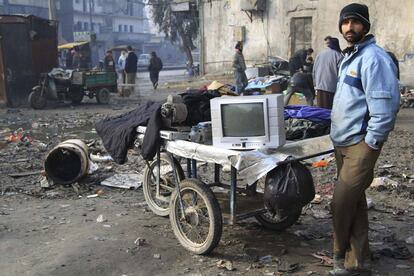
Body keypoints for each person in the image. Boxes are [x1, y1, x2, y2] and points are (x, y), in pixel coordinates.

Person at [329, 3, 400, 275]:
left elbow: (385, 105)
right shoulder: (351, 56)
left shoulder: (373, 58)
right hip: (343, 142)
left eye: (355, 23)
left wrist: (372, 141)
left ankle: (339, 257)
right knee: (355, 201)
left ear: (365, 26)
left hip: (361, 143)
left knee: (340, 202)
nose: (349, 27)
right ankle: (360, 260)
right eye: (345, 23)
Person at [312, 36, 342, 109]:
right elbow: (341, 74)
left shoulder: (320, 54)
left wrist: (315, 85)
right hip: (331, 88)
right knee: (329, 111)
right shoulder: (338, 55)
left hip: (319, 87)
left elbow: (314, 71)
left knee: (321, 112)